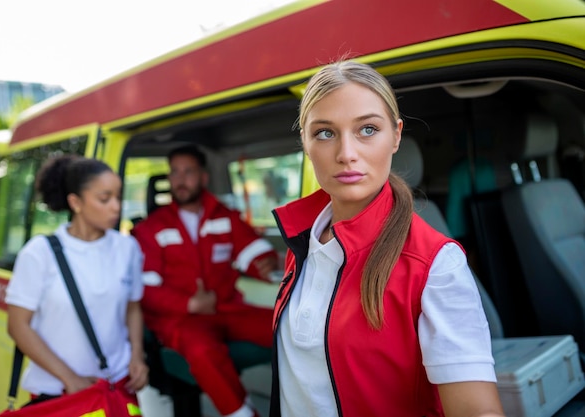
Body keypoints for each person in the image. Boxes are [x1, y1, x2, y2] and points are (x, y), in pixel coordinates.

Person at [270, 61, 505, 417]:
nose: (346, 153)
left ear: (396, 135)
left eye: (367, 129)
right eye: (325, 133)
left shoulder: (435, 264)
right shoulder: (304, 240)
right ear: (305, 141)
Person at [131, 145, 278, 417]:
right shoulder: (150, 228)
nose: (180, 179)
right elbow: (144, 290)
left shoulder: (224, 216)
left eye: (188, 172)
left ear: (203, 177)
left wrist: (266, 263)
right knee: (202, 351)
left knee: (287, 325)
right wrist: (189, 304)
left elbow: (254, 252)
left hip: (227, 308)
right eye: (174, 172)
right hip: (179, 319)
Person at [5, 155, 148, 407]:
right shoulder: (40, 253)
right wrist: (69, 378)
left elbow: (132, 308)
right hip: (58, 394)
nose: (116, 207)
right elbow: (18, 326)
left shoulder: (128, 249)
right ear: (75, 202)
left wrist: (137, 356)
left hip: (117, 387)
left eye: (118, 196)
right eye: (105, 199)